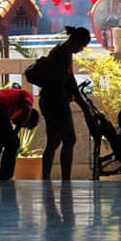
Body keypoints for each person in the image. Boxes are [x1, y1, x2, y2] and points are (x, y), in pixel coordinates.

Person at [38, 25, 92, 180]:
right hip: (56, 101)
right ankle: (65, 179)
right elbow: (69, 81)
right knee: (69, 139)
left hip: (48, 100)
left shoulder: (60, 49)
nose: (81, 50)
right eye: (82, 46)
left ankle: (46, 178)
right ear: (77, 40)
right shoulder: (64, 52)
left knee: (53, 142)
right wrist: (83, 105)